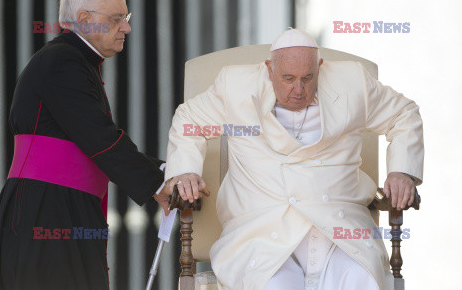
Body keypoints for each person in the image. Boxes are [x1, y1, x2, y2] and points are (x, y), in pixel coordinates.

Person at [163, 28, 424, 290]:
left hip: (339, 230)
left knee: (361, 280)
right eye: (288, 78)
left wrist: (401, 171)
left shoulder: (353, 81)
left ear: (320, 67)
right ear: (269, 69)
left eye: (307, 78)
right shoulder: (236, 86)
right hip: (261, 232)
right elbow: (189, 120)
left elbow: (404, 114)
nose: (298, 90)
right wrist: (185, 171)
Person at [0, 0, 174, 290]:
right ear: (84, 20)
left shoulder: (75, 60)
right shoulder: (63, 61)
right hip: (46, 212)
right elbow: (100, 136)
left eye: (125, 19)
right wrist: (160, 180)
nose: (125, 28)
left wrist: (163, 173)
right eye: (116, 19)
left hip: (61, 208)